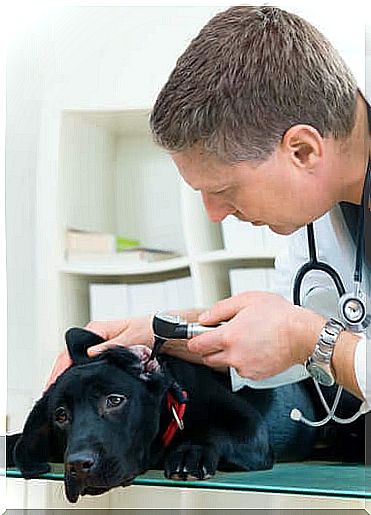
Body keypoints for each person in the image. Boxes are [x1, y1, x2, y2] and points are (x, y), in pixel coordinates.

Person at [46, 6, 370, 411]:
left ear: (302, 151)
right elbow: (289, 334)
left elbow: (307, 334)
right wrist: (162, 334)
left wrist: (307, 337)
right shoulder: (318, 204)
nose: (214, 214)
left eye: (225, 189)